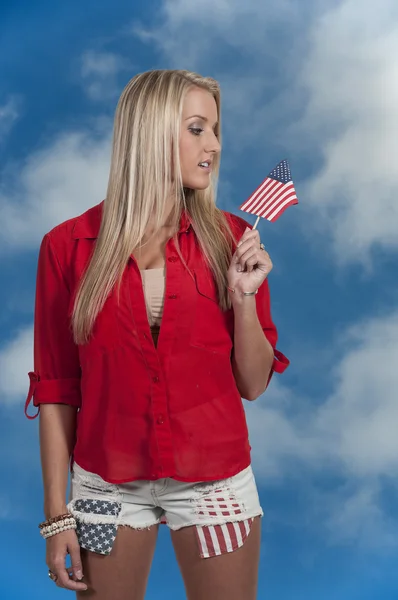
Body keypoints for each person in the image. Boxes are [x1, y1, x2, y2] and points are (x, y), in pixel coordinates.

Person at [24, 69, 289, 600]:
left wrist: (241, 297)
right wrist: (58, 519)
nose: (213, 145)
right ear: (149, 133)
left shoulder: (234, 240)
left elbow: (254, 383)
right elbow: (56, 390)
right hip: (104, 485)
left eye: (214, 130)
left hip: (216, 481)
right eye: (196, 129)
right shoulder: (67, 246)